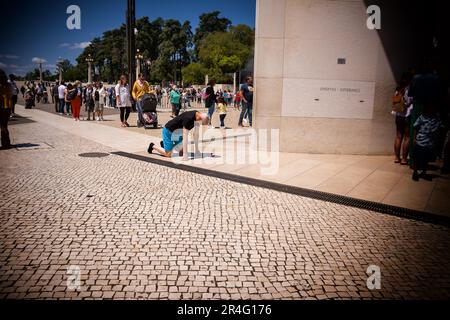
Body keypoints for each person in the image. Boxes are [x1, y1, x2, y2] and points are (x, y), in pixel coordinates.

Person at [411, 105, 444, 181]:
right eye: (428, 109)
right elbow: (415, 127)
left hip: (430, 143)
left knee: (426, 159)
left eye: (431, 109)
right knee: (417, 158)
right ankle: (415, 172)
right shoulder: (422, 117)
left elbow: (441, 128)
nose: (430, 111)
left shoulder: (436, 119)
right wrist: (414, 139)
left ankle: (424, 173)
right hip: (420, 141)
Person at [0, 69, 13, 149]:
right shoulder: (9, 85)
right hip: (7, 107)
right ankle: (6, 143)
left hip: (1, 106)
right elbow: (11, 95)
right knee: (4, 126)